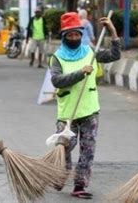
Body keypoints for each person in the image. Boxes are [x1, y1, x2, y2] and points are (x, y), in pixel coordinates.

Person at [49, 12, 121, 199]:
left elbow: (114, 54)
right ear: (64, 36)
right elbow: (57, 80)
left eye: (77, 34)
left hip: (89, 110)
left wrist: (112, 31)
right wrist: (80, 73)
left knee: (87, 150)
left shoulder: (90, 52)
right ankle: (61, 175)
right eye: (70, 35)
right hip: (67, 113)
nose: (74, 38)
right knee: (64, 147)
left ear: (81, 34)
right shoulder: (57, 58)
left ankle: (80, 185)